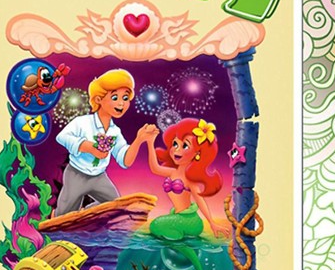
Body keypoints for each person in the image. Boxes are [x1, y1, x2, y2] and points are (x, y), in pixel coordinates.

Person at [55, 69, 156, 216]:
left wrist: (139, 139)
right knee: (64, 215)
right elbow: (62, 137)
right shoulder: (83, 122)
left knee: (116, 206)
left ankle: (87, 213)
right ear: (98, 99)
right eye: (115, 97)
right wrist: (89, 147)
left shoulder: (115, 132)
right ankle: (62, 214)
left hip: (99, 177)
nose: (121, 103)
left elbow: (125, 161)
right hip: (76, 174)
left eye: (125, 98)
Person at [145, 118, 228, 239]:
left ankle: (179, 243)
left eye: (185, 145)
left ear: (197, 153)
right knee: (155, 226)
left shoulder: (190, 179)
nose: (177, 150)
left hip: (190, 221)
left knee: (155, 225)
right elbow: (154, 168)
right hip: (179, 217)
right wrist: (150, 142)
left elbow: (200, 201)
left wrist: (212, 223)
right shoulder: (172, 172)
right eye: (175, 144)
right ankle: (176, 237)